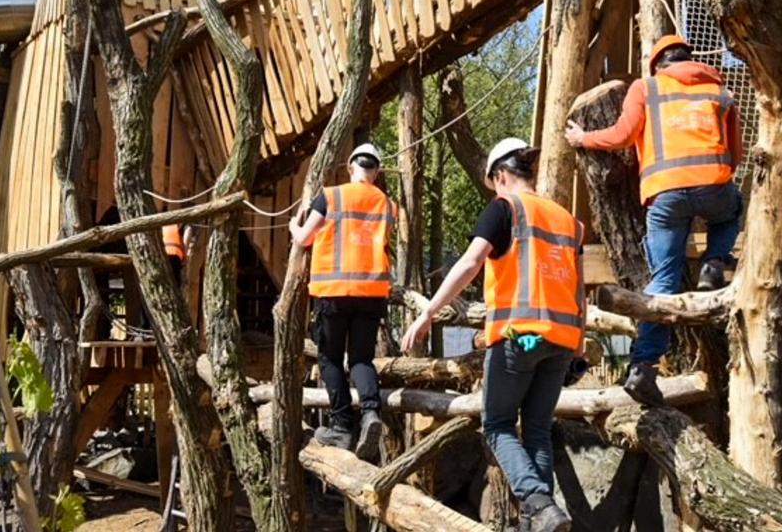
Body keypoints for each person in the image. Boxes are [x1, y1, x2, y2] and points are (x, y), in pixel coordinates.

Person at [401, 138, 583, 532]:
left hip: (521, 338)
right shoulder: (567, 219)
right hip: (559, 342)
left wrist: (429, 312)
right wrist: (580, 343)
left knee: (498, 425)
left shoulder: (505, 209)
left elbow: (470, 263)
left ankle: (537, 502)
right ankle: (543, 519)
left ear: (501, 175)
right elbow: (579, 287)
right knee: (536, 428)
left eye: (493, 183)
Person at [564, 34, 744, 405]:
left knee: (662, 279)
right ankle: (714, 263)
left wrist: (583, 138)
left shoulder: (646, 88)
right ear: (688, 59)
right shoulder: (720, 91)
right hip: (714, 184)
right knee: (732, 212)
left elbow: (623, 134)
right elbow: (735, 153)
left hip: (664, 193)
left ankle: (643, 368)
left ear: (657, 64)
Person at [288, 143, 396, 462]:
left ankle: (341, 425)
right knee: (361, 359)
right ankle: (371, 412)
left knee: (330, 359)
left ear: (351, 167)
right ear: (376, 172)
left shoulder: (331, 195)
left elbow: (305, 238)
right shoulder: (388, 205)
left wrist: (295, 224)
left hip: (333, 291)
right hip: (372, 294)